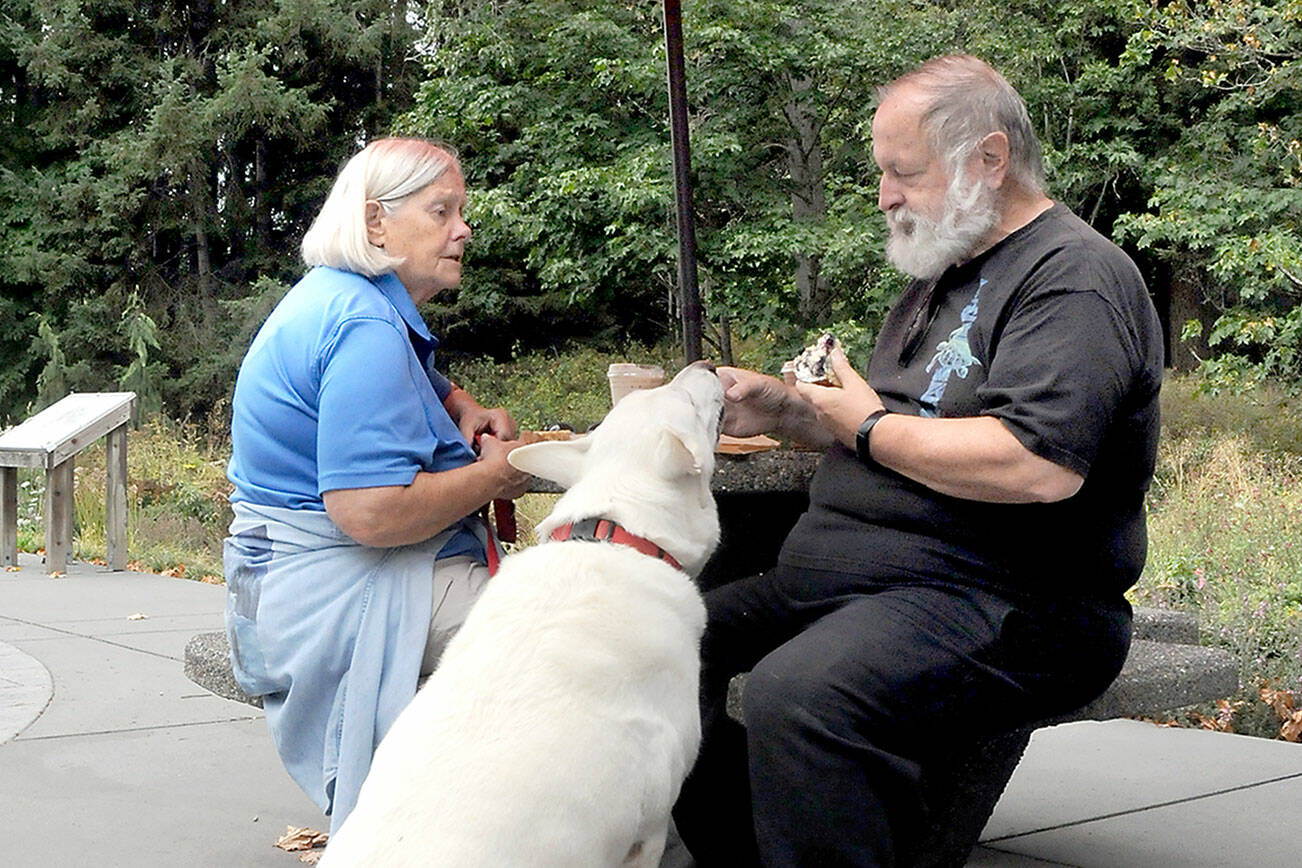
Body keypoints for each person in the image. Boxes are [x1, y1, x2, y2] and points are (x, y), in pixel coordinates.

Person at [672, 55, 1164, 866]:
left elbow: (1033, 464)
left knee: (801, 695)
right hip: (855, 583)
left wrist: (863, 424)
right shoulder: (943, 271)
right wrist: (789, 408)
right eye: (880, 172)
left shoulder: (1073, 279)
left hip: (1010, 601)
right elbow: (909, 424)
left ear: (990, 159)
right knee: (660, 645)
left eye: (902, 172)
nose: (884, 196)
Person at [222, 138, 532, 834]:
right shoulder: (364, 323)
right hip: (325, 591)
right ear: (374, 223)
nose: (464, 228)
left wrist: (466, 412)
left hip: (274, 579)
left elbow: (424, 386)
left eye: (463, 210)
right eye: (442, 210)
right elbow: (371, 514)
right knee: (566, 647)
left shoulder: (349, 300)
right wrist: (496, 473)